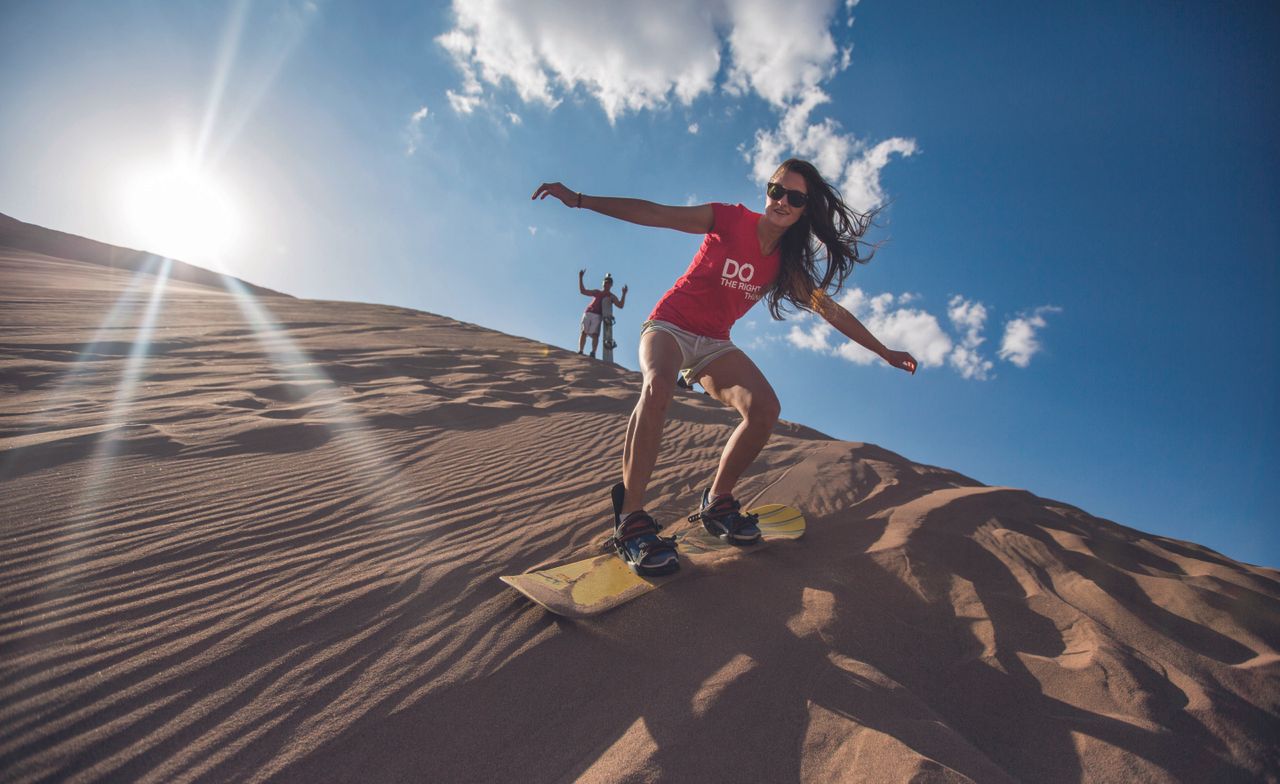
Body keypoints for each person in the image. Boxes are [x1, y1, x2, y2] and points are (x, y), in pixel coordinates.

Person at [533, 158, 917, 576]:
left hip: (714, 343)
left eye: (795, 197)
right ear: (766, 190)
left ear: (806, 208)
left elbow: (832, 311)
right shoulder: (729, 219)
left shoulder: (785, 264)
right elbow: (656, 213)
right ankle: (630, 520)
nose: (781, 201)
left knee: (766, 409)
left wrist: (884, 351)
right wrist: (579, 200)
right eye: (776, 190)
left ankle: (718, 502)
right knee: (659, 385)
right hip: (669, 326)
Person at [577, 270, 626, 358]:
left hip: (598, 315)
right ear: (603, 283)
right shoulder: (597, 292)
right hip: (589, 312)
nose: (606, 284)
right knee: (584, 331)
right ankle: (580, 351)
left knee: (595, 335)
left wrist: (624, 294)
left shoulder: (611, 296)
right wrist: (580, 277)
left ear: (611, 285)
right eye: (605, 282)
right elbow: (583, 291)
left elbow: (620, 305)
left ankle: (593, 353)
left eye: (608, 282)